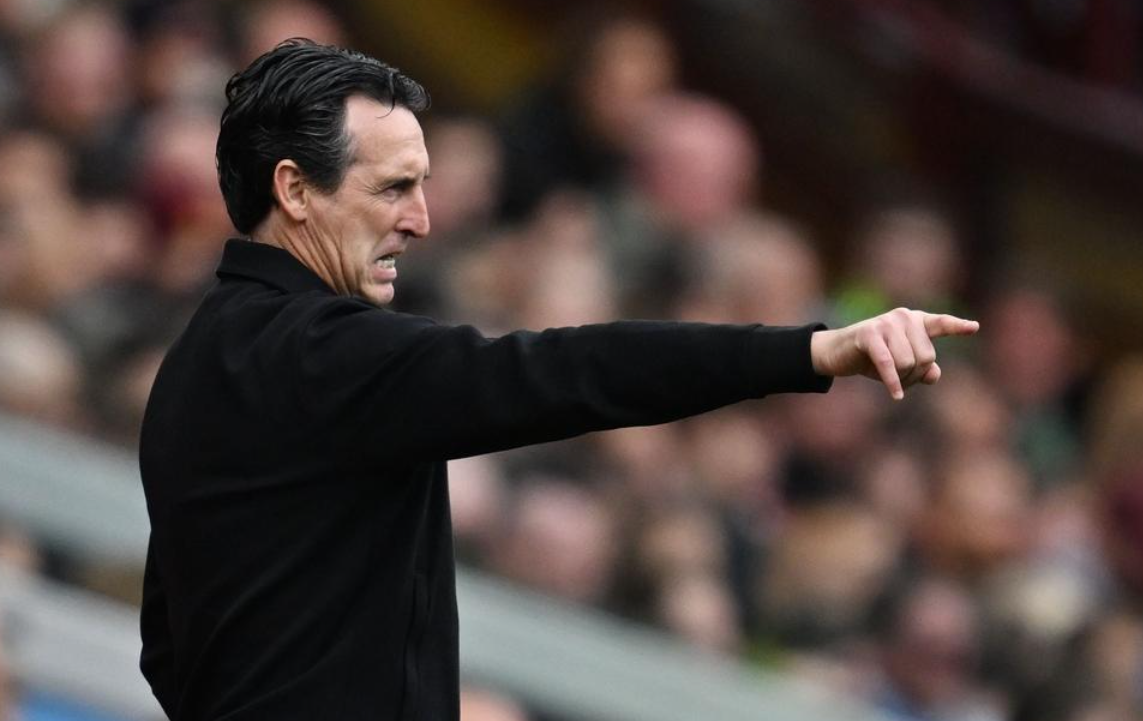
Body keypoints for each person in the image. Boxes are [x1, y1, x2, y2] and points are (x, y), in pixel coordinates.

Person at [138, 39, 979, 721]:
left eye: (422, 187)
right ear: (294, 190)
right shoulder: (325, 352)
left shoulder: (194, 362)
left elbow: (166, 645)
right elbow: (567, 370)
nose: (420, 219)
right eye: (393, 188)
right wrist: (811, 352)